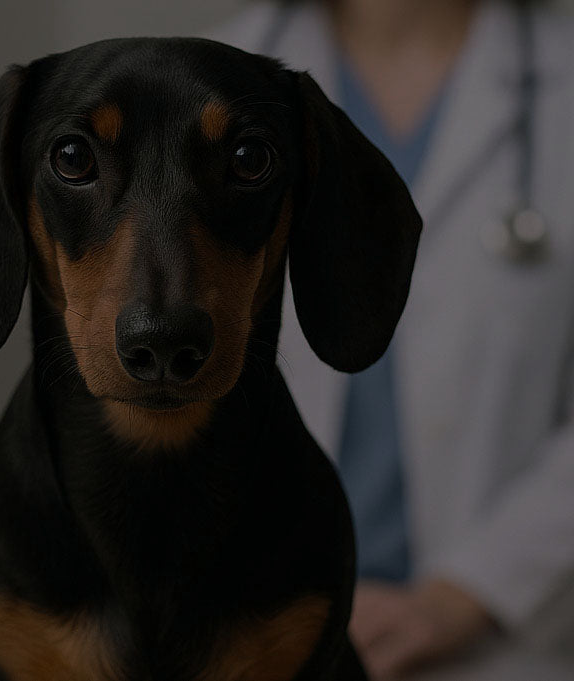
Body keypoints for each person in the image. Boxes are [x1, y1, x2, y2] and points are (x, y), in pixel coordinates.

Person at [206, 1, 574, 680]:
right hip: (246, 634)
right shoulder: (208, 79)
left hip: (503, 644)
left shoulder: (562, 79)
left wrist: (468, 592)